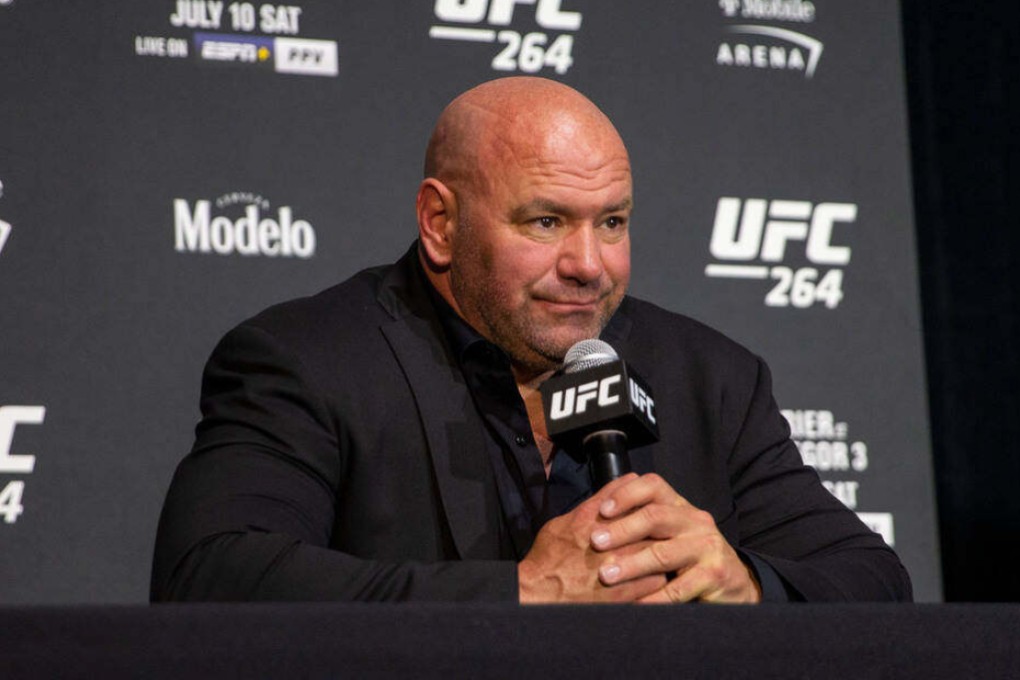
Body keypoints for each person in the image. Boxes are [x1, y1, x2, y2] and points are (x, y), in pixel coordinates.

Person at [151, 77, 911, 604]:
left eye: (612, 222)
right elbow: (211, 574)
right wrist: (530, 591)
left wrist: (741, 582)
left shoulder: (710, 377)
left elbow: (869, 581)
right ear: (440, 224)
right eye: (546, 222)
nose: (589, 266)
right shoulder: (308, 359)